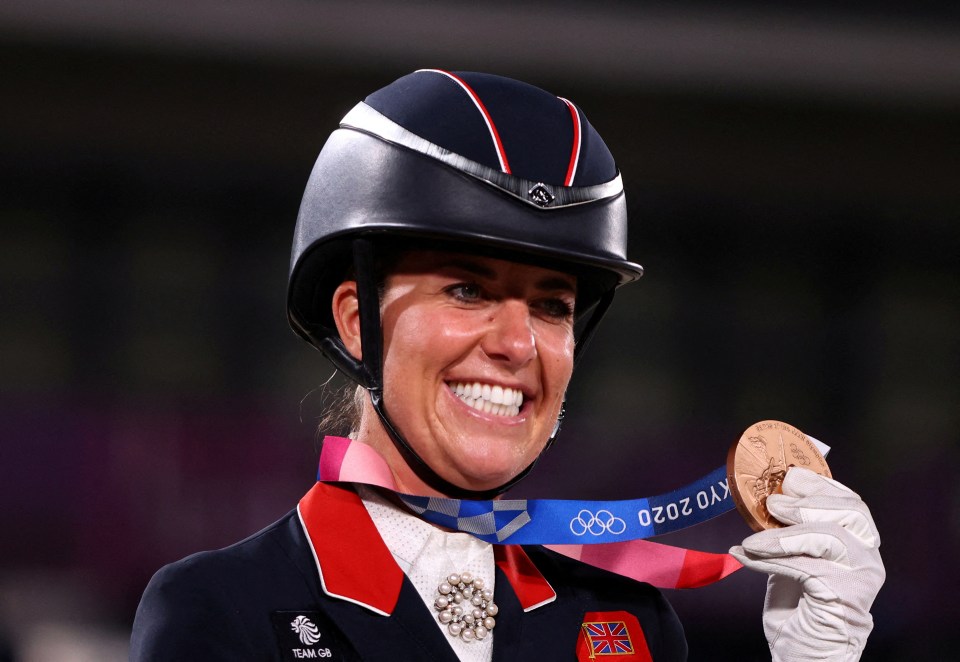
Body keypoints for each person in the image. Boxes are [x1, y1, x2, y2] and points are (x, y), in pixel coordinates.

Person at [130, 69, 884, 661]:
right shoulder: (226, 608)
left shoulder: (629, 622)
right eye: (467, 290)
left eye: (553, 306)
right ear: (359, 326)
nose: (518, 344)